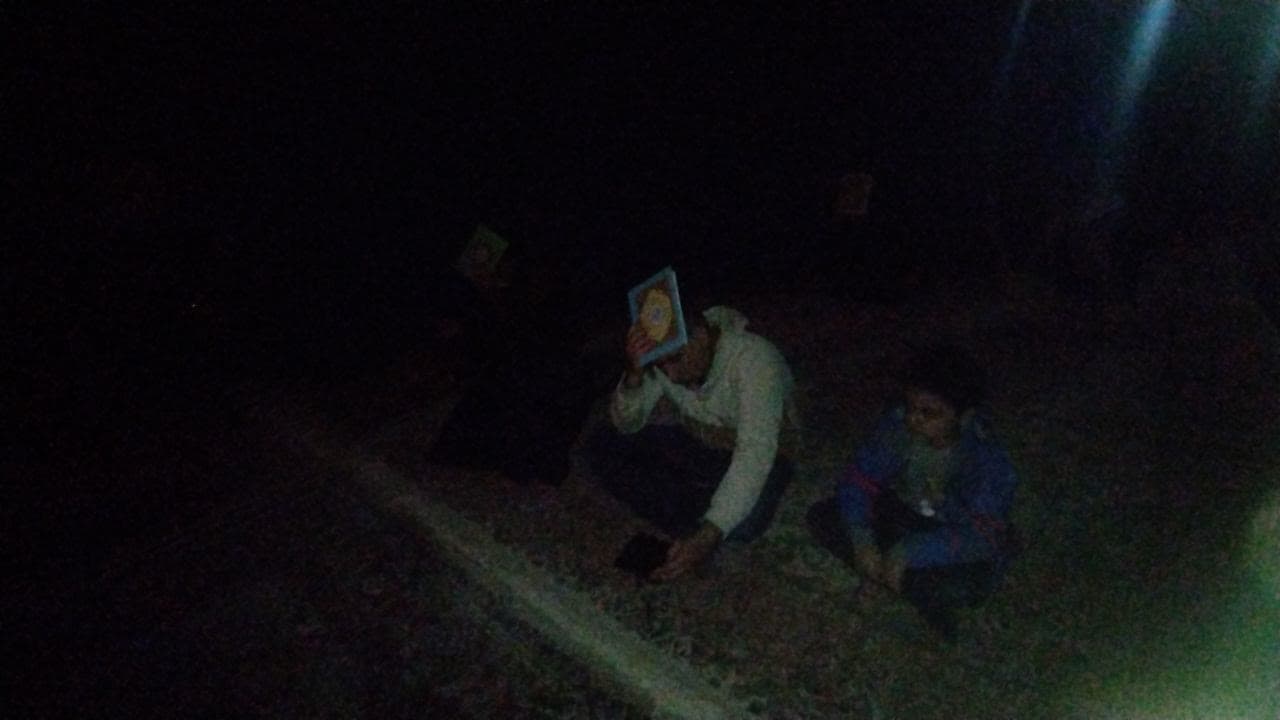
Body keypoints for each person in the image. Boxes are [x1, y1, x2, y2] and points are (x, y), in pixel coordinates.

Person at [807, 344, 1019, 640]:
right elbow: (859, 480)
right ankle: (890, 577)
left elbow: (983, 534)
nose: (914, 419)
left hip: (951, 533)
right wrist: (862, 538)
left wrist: (910, 552)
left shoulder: (986, 459)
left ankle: (898, 582)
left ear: (963, 416)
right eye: (911, 408)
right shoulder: (898, 427)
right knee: (823, 517)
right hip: (905, 514)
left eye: (930, 413)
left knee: (962, 585)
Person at [582, 305, 801, 581]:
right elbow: (626, 424)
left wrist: (710, 533)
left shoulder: (755, 360)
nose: (670, 375)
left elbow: (754, 453)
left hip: (764, 452)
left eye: (676, 359)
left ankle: (701, 519)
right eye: (660, 364)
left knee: (747, 521)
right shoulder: (668, 354)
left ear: (701, 336)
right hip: (699, 442)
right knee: (602, 444)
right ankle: (701, 513)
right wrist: (634, 375)